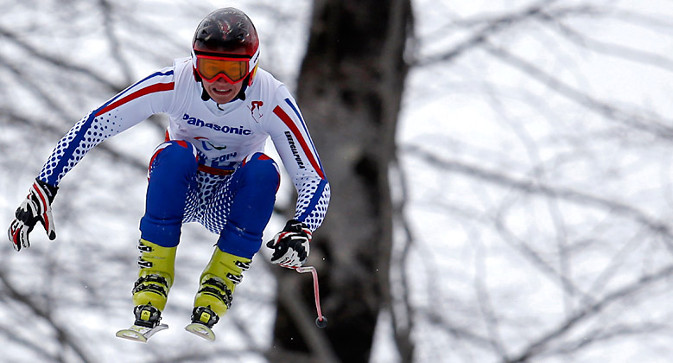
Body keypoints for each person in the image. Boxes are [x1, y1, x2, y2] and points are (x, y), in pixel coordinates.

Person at [7, 7, 329, 338]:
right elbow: (97, 123)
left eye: (232, 70)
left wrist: (302, 228)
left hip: (229, 201)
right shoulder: (177, 82)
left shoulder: (271, 97)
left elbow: (313, 178)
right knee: (174, 155)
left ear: (252, 68)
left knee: (265, 170)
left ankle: (220, 281)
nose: (220, 82)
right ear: (194, 63)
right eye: (209, 67)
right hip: (181, 192)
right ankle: (153, 279)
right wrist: (44, 186)